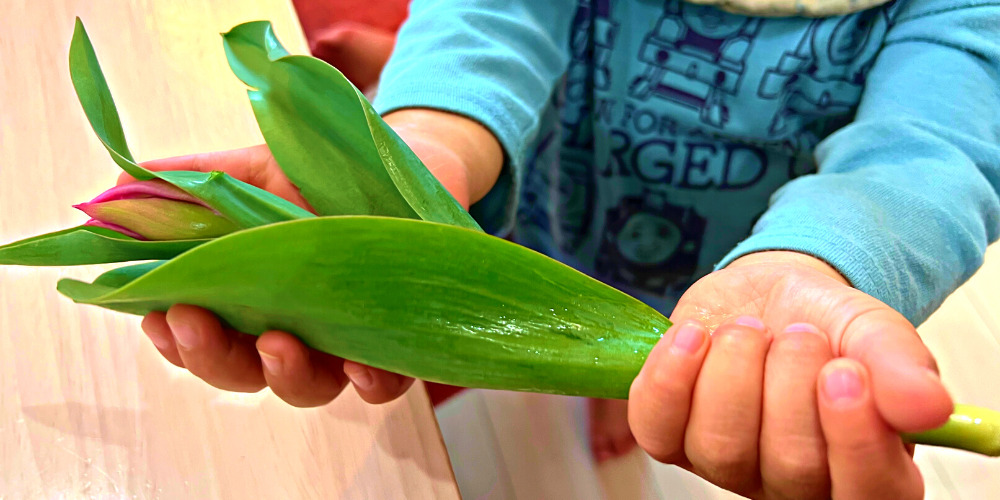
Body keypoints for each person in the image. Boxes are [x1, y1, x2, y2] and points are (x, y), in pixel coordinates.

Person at [128, 0, 1000, 498]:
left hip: (733, 261)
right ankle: (612, 366)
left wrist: (813, 263)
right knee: (554, 298)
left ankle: (627, 375)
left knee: (681, 354)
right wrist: (426, 138)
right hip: (554, 195)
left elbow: (929, 149)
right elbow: (491, 15)